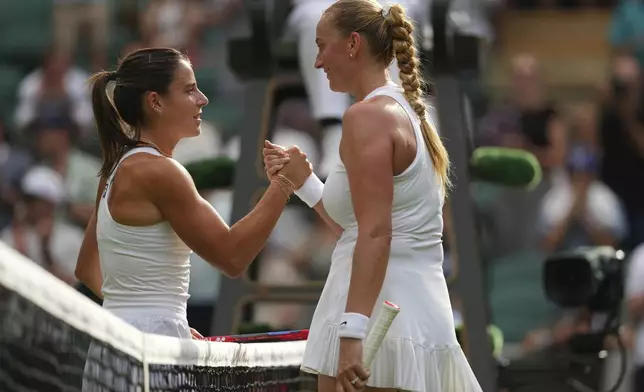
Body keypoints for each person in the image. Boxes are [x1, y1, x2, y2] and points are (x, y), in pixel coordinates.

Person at [264, 1, 482, 391]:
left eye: (321, 46)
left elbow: (377, 234)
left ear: (352, 44)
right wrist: (307, 184)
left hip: (379, 319)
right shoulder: (409, 111)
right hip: (409, 314)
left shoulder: (367, 117)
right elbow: (362, 227)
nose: (316, 62)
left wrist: (353, 333)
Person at [74, 47, 312, 340]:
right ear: (155, 102)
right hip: (149, 345)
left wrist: (148, 313)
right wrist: (284, 184)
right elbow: (233, 256)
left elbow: (86, 267)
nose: (203, 99)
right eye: (189, 90)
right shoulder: (160, 172)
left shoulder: (115, 168)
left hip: (118, 337)